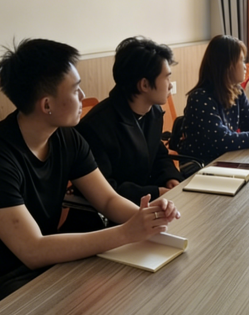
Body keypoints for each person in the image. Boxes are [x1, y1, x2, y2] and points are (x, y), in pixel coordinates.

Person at [0, 39, 181, 315]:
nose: (83, 95)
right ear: (47, 104)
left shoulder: (67, 137)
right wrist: (126, 232)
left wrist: (147, 219)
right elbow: (32, 250)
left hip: (49, 264)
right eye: (75, 89)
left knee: (137, 298)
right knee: (113, 313)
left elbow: (107, 200)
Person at [76, 36, 184, 204]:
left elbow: (158, 154)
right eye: (167, 78)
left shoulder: (153, 111)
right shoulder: (95, 127)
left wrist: (170, 178)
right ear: (144, 85)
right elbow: (105, 189)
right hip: (115, 212)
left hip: (148, 203)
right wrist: (155, 192)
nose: (170, 85)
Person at [176, 35, 249, 162]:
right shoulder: (200, 98)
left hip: (226, 159)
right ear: (227, 65)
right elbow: (222, 140)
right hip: (202, 165)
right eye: (241, 60)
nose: (245, 66)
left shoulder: (236, 91)